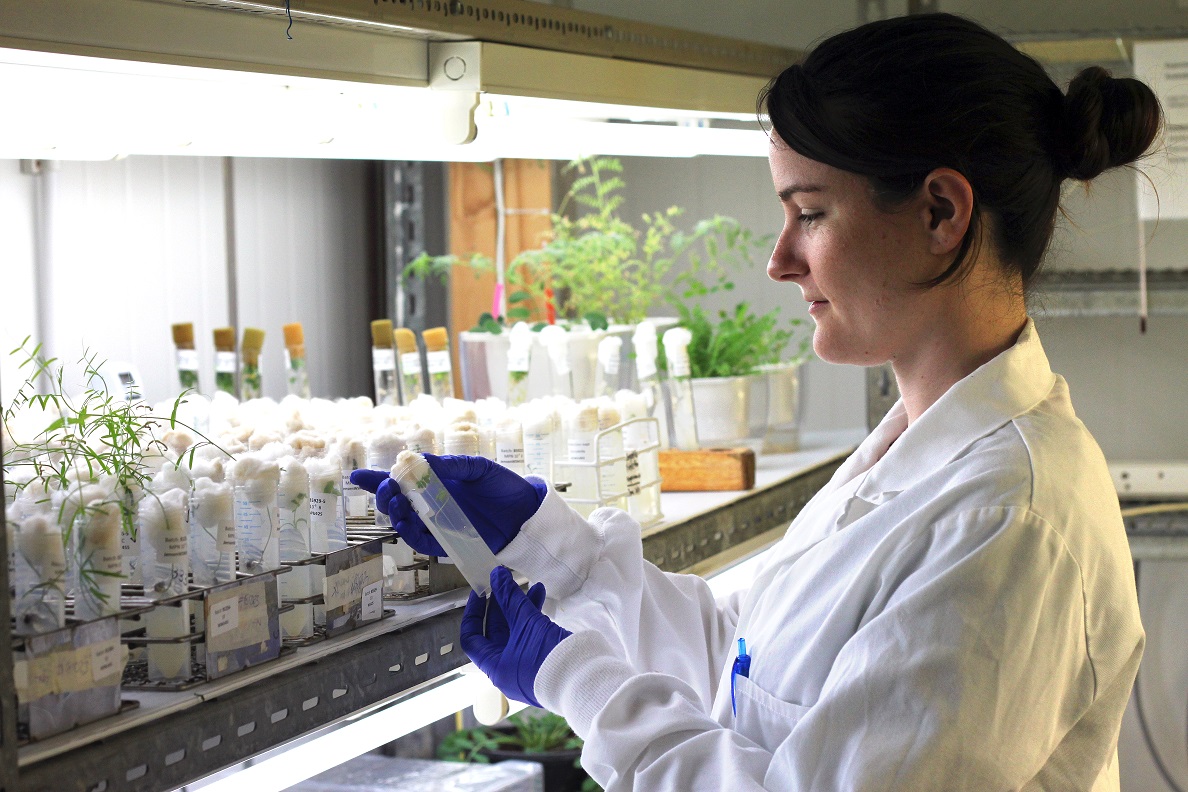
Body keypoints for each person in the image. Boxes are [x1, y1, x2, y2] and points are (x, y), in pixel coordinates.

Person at [353, 13, 1162, 790]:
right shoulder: (911, 457)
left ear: (940, 212)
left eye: (810, 213)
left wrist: (579, 681)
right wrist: (548, 545)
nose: (780, 261)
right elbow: (744, 663)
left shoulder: (1009, 521)